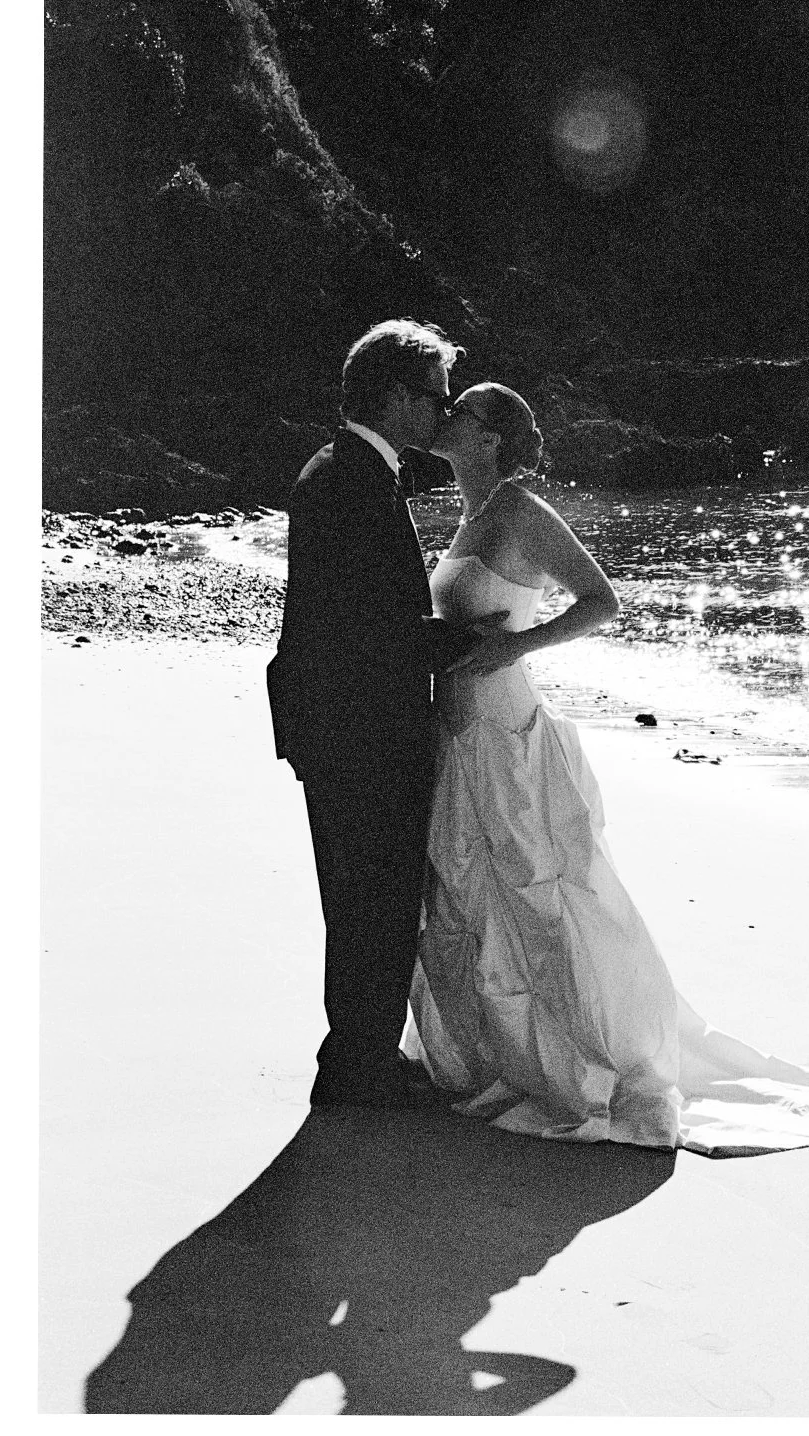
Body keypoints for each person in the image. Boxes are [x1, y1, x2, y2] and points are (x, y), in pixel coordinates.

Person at [404, 382, 809, 1155]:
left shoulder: (521, 511)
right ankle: (502, 1053)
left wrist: (514, 646)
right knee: (473, 894)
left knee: (540, 892)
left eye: (460, 411)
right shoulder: (469, 516)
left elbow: (603, 600)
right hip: (456, 729)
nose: (444, 417)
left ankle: (588, 1060)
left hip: (503, 724)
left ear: (492, 437)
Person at [267, 319, 503, 1110]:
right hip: (358, 726)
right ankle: (359, 1068)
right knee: (376, 896)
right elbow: (365, 628)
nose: (441, 415)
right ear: (398, 397)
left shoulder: (344, 469)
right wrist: (465, 637)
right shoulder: (349, 480)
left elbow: (351, 616)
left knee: (362, 897)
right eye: (434, 399)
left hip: (338, 720)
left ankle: (355, 1058)